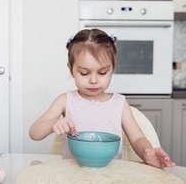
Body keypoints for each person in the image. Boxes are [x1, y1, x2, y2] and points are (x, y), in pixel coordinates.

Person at [29, 28, 175, 169]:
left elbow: (137, 139)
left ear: (113, 68)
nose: (93, 80)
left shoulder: (120, 103)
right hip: (71, 176)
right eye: (84, 73)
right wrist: (53, 123)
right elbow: (34, 133)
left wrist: (148, 153)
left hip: (111, 176)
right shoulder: (65, 100)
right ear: (71, 69)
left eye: (102, 72)